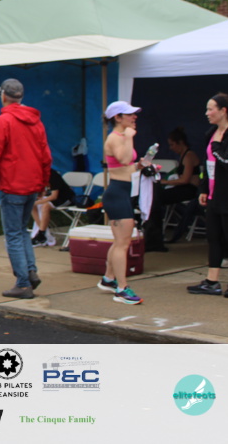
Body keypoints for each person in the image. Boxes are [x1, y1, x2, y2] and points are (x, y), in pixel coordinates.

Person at [0, 79, 51, 300]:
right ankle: (30, 271)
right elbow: (45, 156)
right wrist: (42, 184)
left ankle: (23, 283)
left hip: (12, 185)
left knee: (13, 234)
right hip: (32, 185)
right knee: (22, 231)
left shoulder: (3, 122)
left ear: (3, 96)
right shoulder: (36, 122)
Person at [187, 93, 228, 298]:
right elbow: (208, 165)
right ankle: (212, 281)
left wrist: (216, 146)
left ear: (223, 111)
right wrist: (204, 189)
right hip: (214, 196)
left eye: (210, 109)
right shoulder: (211, 133)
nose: (207, 113)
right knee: (213, 238)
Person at [98, 100, 150, 305]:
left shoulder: (121, 137)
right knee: (123, 243)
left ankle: (108, 278)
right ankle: (121, 288)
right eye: (129, 114)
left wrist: (140, 166)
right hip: (117, 194)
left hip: (123, 192)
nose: (134, 117)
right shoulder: (115, 138)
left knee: (120, 241)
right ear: (117, 118)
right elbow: (123, 158)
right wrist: (129, 137)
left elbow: (126, 165)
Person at [143, 127, 201, 249]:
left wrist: (164, 182)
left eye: (172, 145)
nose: (171, 148)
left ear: (180, 143)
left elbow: (185, 179)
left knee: (159, 197)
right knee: (157, 196)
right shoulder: (182, 156)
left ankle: (156, 232)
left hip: (190, 190)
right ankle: (154, 231)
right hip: (184, 188)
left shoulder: (189, 156)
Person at [30, 169, 75, 247]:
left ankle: (41, 234)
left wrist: (37, 202)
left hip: (64, 198)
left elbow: (54, 196)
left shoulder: (52, 175)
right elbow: (43, 190)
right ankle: (44, 234)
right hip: (52, 197)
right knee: (31, 206)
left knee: (45, 206)